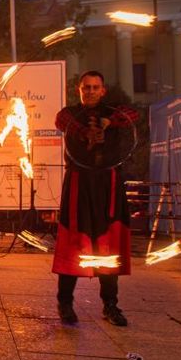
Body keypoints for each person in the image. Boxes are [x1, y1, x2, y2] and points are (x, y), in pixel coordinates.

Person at [52, 71, 138, 326]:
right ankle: (65, 301)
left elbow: (132, 115)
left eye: (95, 87)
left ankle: (110, 305)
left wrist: (106, 123)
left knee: (107, 243)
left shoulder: (114, 112)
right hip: (80, 182)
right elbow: (62, 120)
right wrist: (85, 133)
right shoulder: (70, 114)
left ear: (103, 90)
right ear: (79, 90)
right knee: (74, 240)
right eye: (85, 87)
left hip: (108, 184)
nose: (90, 91)